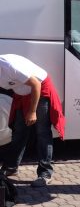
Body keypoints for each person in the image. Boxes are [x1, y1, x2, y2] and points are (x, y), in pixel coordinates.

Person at [0, 54, 65, 187]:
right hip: (22, 92)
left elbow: (35, 84)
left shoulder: (8, 66)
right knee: (19, 131)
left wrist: (32, 111)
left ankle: (45, 173)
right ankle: (12, 167)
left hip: (39, 89)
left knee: (42, 132)